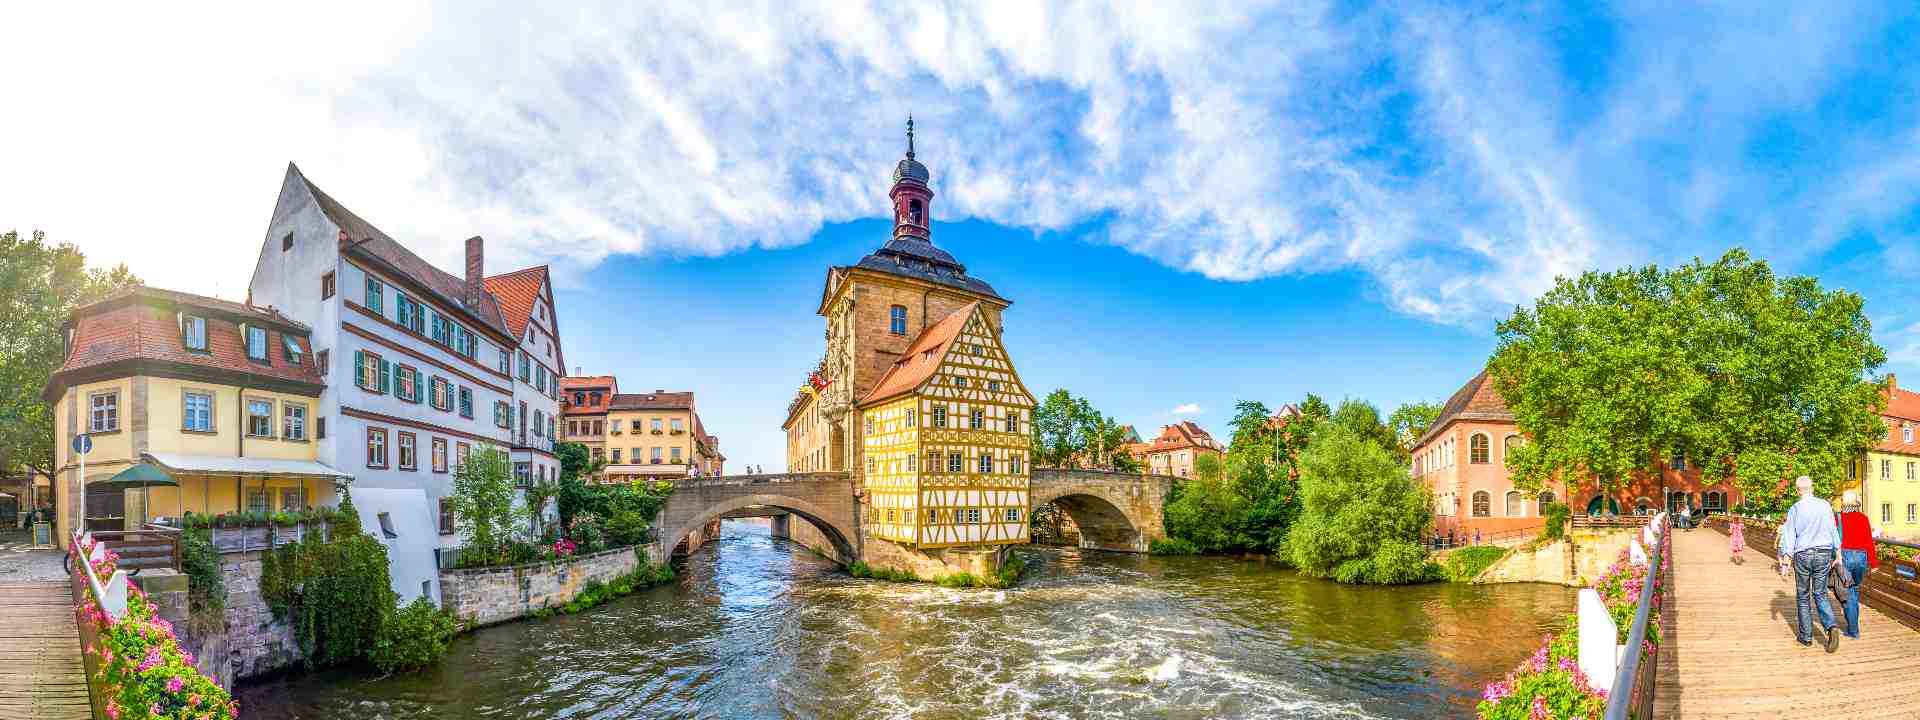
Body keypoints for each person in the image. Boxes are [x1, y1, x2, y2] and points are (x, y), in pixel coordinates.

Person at [1777, 475, 1843, 651]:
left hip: (1803, 555)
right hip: (1823, 553)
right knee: (1820, 593)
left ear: (1798, 491)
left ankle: (1806, 637)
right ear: (1812, 488)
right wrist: (1838, 553)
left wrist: (1785, 563)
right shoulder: (1824, 505)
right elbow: (1833, 529)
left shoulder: (1795, 509)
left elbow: (1789, 536)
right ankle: (1831, 627)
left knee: (1803, 596)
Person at [1835, 490, 1878, 639]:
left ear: (1844, 502)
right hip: (1861, 558)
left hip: (1845, 558)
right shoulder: (1863, 518)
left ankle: (1853, 630)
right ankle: (1853, 627)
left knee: (1848, 593)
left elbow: (1833, 540)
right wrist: (1874, 563)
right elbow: (1869, 542)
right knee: (1853, 591)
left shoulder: (1838, 518)